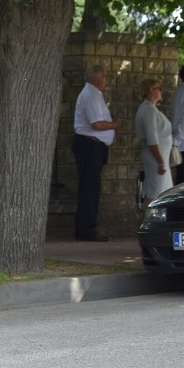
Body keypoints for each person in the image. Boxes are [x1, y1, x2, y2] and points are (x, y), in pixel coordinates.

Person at [72, 65, 121, 242]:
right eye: (104, 76)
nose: (106, 79)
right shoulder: (90, 95)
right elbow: (96, 124)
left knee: (90, 188)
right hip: (89, 145)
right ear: (95, 78)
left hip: (93, 146)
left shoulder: (94, 94)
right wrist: (114, 125)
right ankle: (87, 229)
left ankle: (86, 227)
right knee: (90, 189)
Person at [134, 78, 173, 208]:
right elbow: (152, 139)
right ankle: (148, 223)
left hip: (159, 158)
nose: (160, 91)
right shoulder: (148, 110)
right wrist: (160, 161)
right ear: (150, 91)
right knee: (155, 193)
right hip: (156, 159)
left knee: (160, 191)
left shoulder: (151, 109)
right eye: (158, 88)